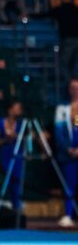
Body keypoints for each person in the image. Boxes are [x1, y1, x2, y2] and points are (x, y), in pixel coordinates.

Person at [0, 100, 31, 228]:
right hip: (5, 155)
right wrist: (6, 139)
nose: (19, 110)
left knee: (16, 185)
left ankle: (17, 212)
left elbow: (30, 138)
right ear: (10, 109)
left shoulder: (23, 124)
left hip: (18, 155)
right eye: (16, 108)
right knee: (3, 183)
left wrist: (18, 137)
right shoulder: (0, 123)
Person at [34, 0, 78, 81]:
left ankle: (71, 84)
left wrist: (28, 15)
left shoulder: (61, 9)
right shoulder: (75, 10)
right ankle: (73, 83)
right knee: (73, 65)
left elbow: (44, 15)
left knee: (63, 63)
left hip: (68, 40)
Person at [55, 79, 78, 229]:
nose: (75, 90)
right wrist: (68, 149)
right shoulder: (62, 109)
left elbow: (77, 127)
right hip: (68, 154)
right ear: (69, 90)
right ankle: (68, 214)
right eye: (73, 88)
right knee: (69, 184)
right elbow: (59, 132)